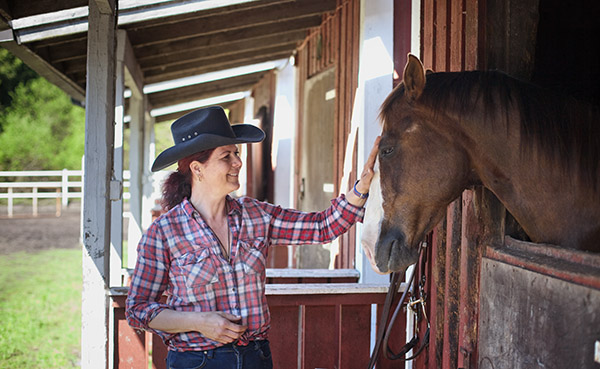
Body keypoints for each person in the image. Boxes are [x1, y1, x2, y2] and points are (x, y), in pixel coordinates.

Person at [126, 105, 380, 369]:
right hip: (196, 361)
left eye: (236, 153)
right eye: (226, 156)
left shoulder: (256, 215)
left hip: (255, 357)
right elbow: (138, 309)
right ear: (197, 169)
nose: (238, 162)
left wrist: (361, 188)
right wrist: (199, 322)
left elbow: (322, 227)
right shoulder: (164, 233)